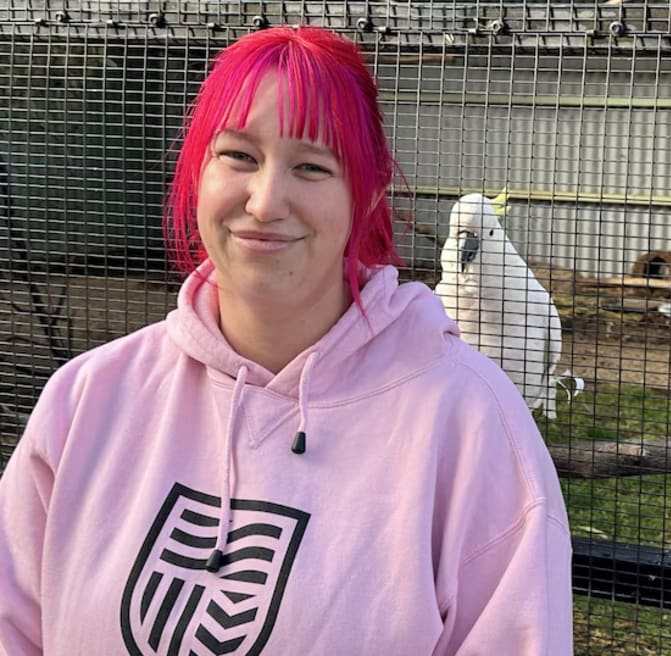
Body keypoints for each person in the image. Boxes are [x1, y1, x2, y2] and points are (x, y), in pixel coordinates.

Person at [0, 26, 573, 654]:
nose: (267, 201)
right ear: (196, 172)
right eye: (239, 156)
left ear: (368, 194)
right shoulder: (86, 400)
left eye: (311, 166)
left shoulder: (473, 424)